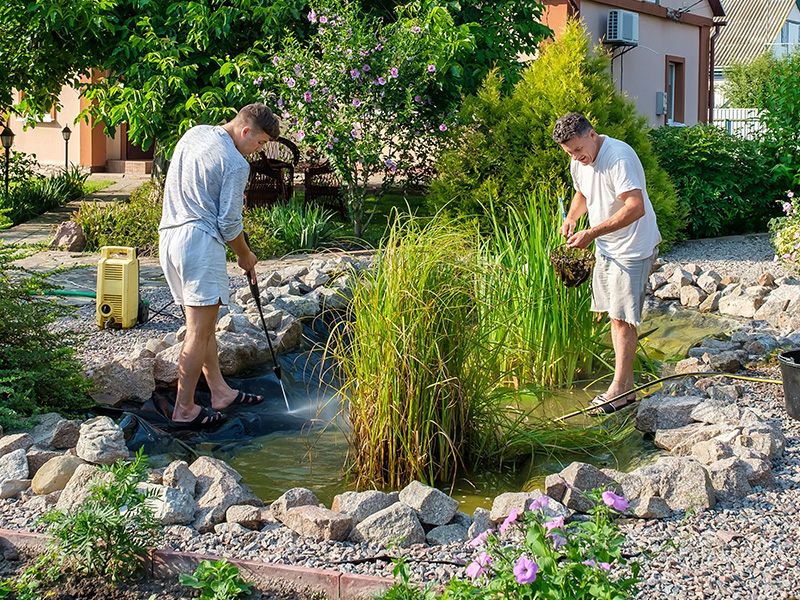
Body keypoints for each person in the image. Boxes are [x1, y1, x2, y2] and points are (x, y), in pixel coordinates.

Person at [159, 103, 280, 429]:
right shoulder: (236, 163)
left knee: (204, 325)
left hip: (169, 240)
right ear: (245, 131)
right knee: (198, 332)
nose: (257, 151)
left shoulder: (195, 134)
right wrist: (245, 255)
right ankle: (185, 409)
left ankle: (220, 392)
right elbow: (228, 223)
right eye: (259, 143)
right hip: (199, 243)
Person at [552, 112, 660, 413]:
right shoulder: (579, 161)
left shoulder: (619, 157)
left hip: (632, 246)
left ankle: (620, 390)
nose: (575, 157)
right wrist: (573, 218)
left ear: (592, 134)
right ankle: (624, 386)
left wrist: (593, 232)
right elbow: (582, 193)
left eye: (577, 149)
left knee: (623, 318)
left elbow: (635, 207)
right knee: (612, 315)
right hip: (607, 246)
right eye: (569, 152)